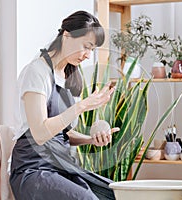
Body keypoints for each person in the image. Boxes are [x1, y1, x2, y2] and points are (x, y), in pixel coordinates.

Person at [10, 10, 119, 200]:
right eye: (86, 46)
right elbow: (41, 133)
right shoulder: (37, 71)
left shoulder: (68, 76)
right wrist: (81, 106)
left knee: (115, 195)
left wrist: (90, 140)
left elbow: (62, 134)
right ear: (67, 35)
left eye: (92, 49)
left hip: (61, 166)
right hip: (33, 170)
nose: (87, 55)